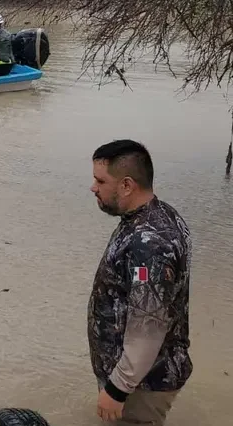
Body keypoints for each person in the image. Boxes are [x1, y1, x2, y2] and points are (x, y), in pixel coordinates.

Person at [88, 139, 192, 425]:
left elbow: (148, 327)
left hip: (142, 384)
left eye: (100, 180)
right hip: (138, 376)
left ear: (126, 185)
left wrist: (117, 389)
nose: (93, 187)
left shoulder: (150, 245)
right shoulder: (156, 215)